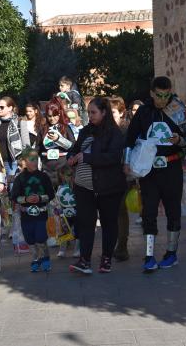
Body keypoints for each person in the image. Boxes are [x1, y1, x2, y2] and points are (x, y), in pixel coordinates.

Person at [124, 77, 186, 273]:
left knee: (173, 211)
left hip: (172, 167)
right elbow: (130, 138)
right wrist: (127, 162)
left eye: (167, 95)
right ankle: (149, 255)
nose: (163, 99)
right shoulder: (144, 112)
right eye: (159, 95)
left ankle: (171, 253)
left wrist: (179, 139)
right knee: (149, 212)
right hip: (149, 170)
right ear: (152, 93)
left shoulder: (178, 110)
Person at [67, 97, 126, 274]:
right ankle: (84, 260)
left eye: (93, 112)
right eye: (88, 112)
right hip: (83, 186)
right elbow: (76, 148)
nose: (90, 116)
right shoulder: (85, 131)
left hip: (108, 186)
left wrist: (88, 158)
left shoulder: (114, 133)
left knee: (109, 223)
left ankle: (106, 258)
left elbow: (113, 158)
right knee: (86, 222)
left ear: (104, 112)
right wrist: (71, 156)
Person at [11, 148, 55, 272]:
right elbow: (14, 197)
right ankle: (36, 257)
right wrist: (26, 199)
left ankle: (45, 258)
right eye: (31, 160)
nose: (34, 162)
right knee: (30, 239)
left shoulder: (44, 176)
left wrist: (40, 198)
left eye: (36, 159)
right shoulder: (19, 178)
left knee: (41, 237)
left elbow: (51, 194)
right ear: (24, 161)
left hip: (41, 212)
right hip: (26, 214)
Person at [109, 97, 131, 262]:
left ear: (122, 112)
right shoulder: (106, 128)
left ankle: (122, 246)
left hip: (123, 173)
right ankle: (116, 243)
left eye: (114, 112)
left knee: (121, 211)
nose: (110, 115)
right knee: (113, 211)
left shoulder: (125, 129)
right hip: (109, 174)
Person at [39, 97, 75, 187]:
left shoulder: (66, 128)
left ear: (59, 114)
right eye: (49, 116)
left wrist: (58, 139)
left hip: (63, 167)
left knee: (63, 194)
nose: (52, 119)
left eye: (55, 115)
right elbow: (37, 148)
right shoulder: (43, 129)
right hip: (47, 168)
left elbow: (73, 146)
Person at [0, 96, 24, 180]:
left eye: (2, 107)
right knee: (1, 191)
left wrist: (23, 163)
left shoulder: (20, 122)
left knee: (13, 190)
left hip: (14, 162)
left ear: (10, 108)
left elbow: (26, 144)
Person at [55, 165, 79, 258]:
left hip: (75, 211)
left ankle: (77, 250)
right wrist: (57, 209)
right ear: (61, 175)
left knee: (77, 231)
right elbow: (58, 200)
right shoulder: (60, 187)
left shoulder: (76, 186)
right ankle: (62, 250)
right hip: (64, 213)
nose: (69, 177)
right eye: (68, 175)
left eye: (71, 175)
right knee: (64, 231)